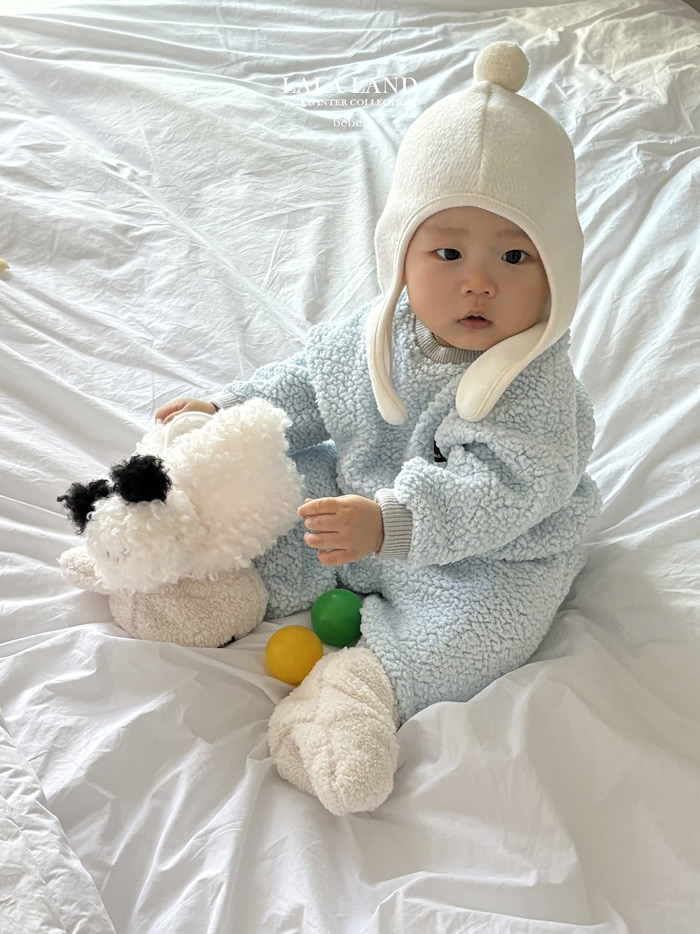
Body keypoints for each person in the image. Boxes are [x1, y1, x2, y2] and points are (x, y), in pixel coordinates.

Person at [155, 41, 602, 816]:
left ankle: (361, 688)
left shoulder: (534, 388)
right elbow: (307, 383)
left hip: (484, 553)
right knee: (291, 496)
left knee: (483, 629)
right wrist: (229, 411)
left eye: (514, 256)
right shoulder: (380, 330)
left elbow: (499, 490)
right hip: (356, 501)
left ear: (557, 269)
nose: (478, 281)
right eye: (448, 251)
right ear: (401, 253)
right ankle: (235, 583)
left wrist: (390, 523)